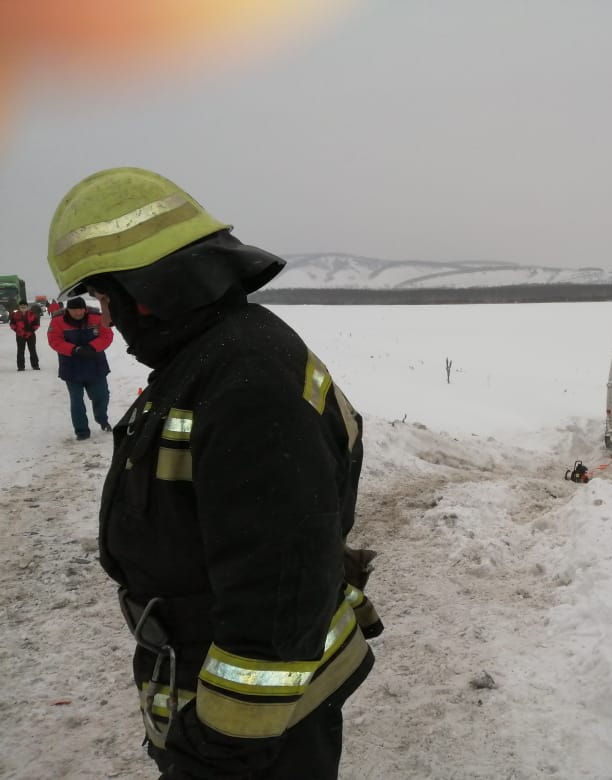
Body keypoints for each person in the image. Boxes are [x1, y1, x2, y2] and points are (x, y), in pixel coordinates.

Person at [46, 167, 382, 779]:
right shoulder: (209, 357)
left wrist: (220, 750)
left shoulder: (245, 381)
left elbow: (276, 592)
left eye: (106, 299)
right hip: (216, 689)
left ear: (145, 291)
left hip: (260, 728)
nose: (110, 321)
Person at [47, 296, 113, 439]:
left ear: (85, 309)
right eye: (74, 310)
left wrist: (92, 347)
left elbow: (107, 335)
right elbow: (54, 340)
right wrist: (73, 349)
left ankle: (102, 419)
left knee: (102, 395)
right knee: (76, 401)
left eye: (80, 310)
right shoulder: (57, 321)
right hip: (71, 367)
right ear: (68, 310)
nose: (77, 313)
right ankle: (82, 431)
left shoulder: (97, 317)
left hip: (95, 364)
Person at [9, 299, 41, 371]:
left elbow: (37, 324)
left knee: (32, 350)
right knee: (20, 351)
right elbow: (12, 324)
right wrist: (17, 331)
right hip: (20, 336)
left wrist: (31, 331)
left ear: (27, 306)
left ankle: (35, 365)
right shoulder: (15, 314)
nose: (23, 307)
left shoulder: (32, 314)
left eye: (24, 305)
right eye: (21, 305)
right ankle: (21, 366)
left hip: (31, 335)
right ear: (19, 306)